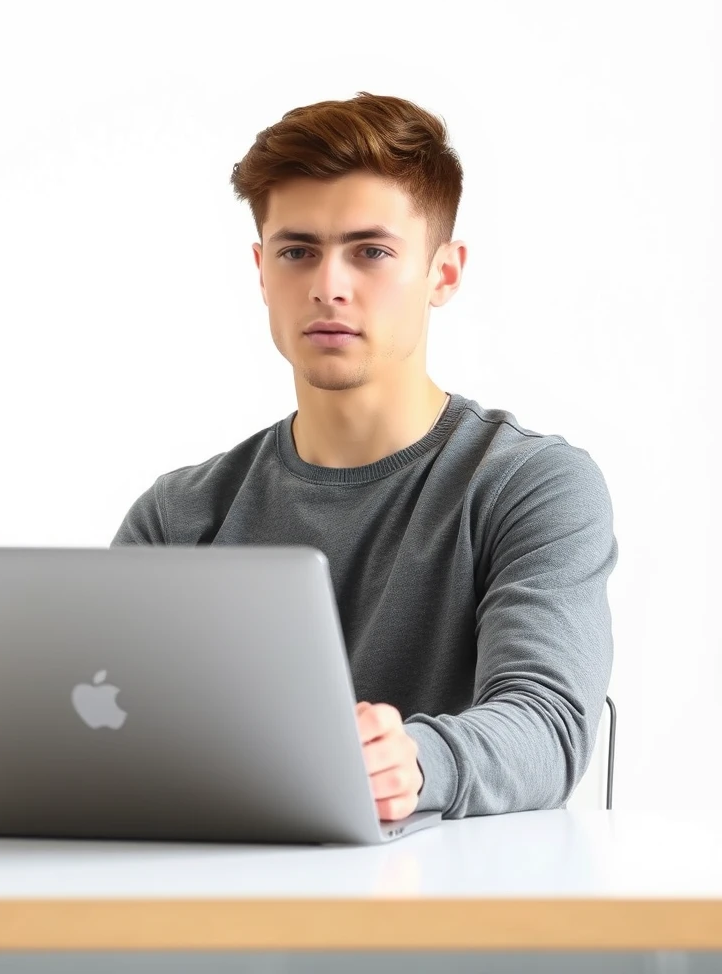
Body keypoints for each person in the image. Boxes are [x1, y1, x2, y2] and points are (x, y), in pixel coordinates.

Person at [111, 92, 618, 821]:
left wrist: (413, 761)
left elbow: (548, 724)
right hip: (220, 896)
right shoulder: (179, 515)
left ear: (444, 274)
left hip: (455, 908)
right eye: (297, 251)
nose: (328, 285)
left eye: (371, 251)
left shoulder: (530, 487)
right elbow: (106, 737)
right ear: (261, 270)